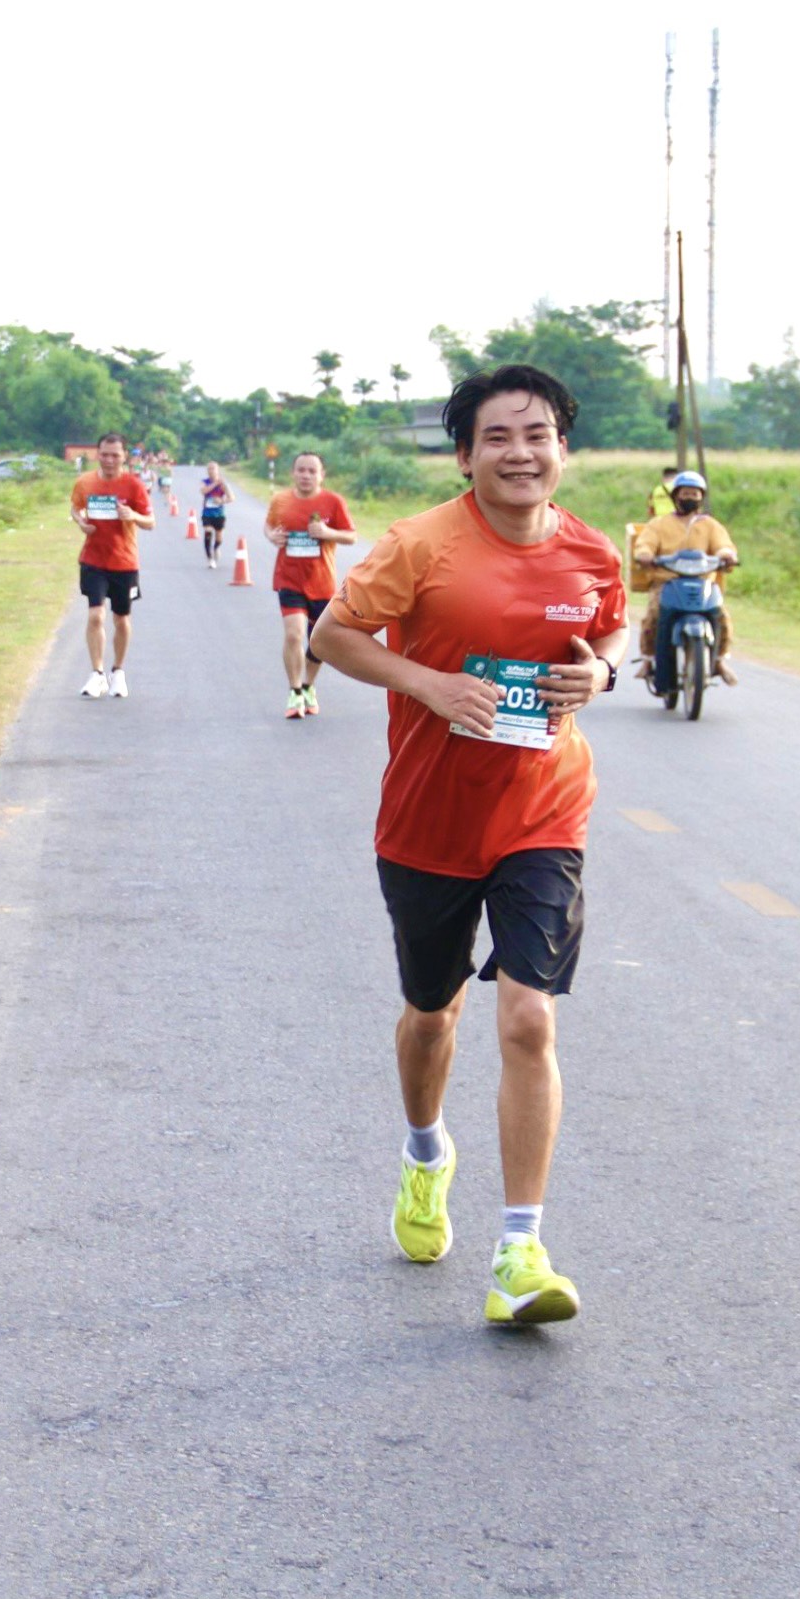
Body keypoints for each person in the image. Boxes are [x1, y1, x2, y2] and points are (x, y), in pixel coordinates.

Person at [308, 364, 629, 1327]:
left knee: (529, 1020)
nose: (521, 453)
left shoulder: (591, 553)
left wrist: (601, 677)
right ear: (466, 454)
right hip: (429, 823)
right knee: (432, 1015)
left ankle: (521, 1252)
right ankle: (423, 1154)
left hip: (543, 813)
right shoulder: (421, 546)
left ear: (563, 450)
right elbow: (332, 636)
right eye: (498, 437)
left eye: (538, 435)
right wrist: (428, 684)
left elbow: (613, 629)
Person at [263, 451, 358, 719]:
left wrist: (328, 533)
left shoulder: (333, 502)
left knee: (318, 642)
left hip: (322, 583)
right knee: (293, 634)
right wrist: (273, 536)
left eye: (312, 471)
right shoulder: (281, 500)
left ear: (321, 475)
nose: (306, 475)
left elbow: (351, 536)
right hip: (289, 579)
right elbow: (268, 526)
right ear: (293, 473)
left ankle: (308, 686)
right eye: (301, 470)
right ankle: (294, 692)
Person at [629, 469, 741, 686]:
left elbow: (723, 546)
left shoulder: (710, 525)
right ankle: (649, 660)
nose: (690, 498)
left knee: (721, 616)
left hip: (702, 582)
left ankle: (719, 660)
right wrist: (645, 555)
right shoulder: (659, 524)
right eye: (685, 493)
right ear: (675, 496)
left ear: (701, 497)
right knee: (654, 615)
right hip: (666, 581)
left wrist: (726, 555)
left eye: (694, 494)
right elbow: (645, 545)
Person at [71, 432, 155, 699]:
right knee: (96, 615)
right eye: (105, 454)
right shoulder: (85, 482)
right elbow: (75, 507)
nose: (109, 460)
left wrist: (133, 515)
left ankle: (117, 671)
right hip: (93, 559)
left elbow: (151, 521)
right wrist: (81, 522)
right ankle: (96, 674)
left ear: (124, 456)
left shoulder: (133, 486)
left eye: (115, 455)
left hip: (124, 561)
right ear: (98, 454)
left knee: (121, 619)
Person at [198, 463, 232, 567]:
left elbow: (231, 498)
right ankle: (210, 559)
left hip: (219, 514)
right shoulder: (204, 482)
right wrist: (215, 483)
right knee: (207, 532)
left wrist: (221, 500)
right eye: (209, 469)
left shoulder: (223, 484)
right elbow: (203, 491)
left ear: (217, 470)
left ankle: (216, 548)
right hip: (207, 513)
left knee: (219, 538)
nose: (211, 471)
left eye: (213, 469)